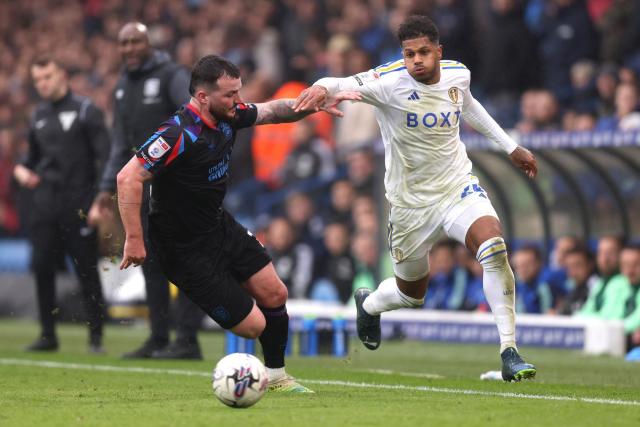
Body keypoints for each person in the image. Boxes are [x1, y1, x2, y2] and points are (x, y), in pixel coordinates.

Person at [294, 15, 538, 381]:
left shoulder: (458, 74)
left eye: (424, 52)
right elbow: (339, 82)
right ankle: (370, 304)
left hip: (456, 187)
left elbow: (468, 104)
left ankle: (509, 351)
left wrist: (510, 146)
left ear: (439, 51)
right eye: (410, 54)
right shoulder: (389, 81)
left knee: (493, 248)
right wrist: (319, 87)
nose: (417, 61)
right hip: (409, 205)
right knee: (411, 294)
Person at [116, 54, 356, 392]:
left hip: (218, 226)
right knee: (254, 325)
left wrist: (313, 104)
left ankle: (277, 377)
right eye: (230, 95)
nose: (237, 101)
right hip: (182, 249)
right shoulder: (177, 132)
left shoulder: (229, 115)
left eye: (238, 92)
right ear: (202, 97)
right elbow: (128, 178)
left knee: (276, 292)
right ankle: (240, 379)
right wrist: (134, 239)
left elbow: (273, 111)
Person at [87, 22, 205, 360]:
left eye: (135, 42)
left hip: (177, 186)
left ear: (149, 43)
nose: (129, 49)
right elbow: (120, 144)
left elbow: (194, 119)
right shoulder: (123, 86)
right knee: (149, 262)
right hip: (142, 188)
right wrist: (105, 187)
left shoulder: (171, 76)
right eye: (123, 44)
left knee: (182, 261)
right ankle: (158, 338)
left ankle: (187, 339)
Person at [13, 56, 109, 353]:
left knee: (86, 271)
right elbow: (30, 160)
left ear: (62, 75)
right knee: (42, 268)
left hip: (79, 205)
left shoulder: (86, 111)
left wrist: (99, 202)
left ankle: (96, 338)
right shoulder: (38, 114)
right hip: (44, 205)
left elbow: (105, 159)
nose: (43, 84)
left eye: (47, 77)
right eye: (38, 79)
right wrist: (21, 170)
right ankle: (47, 335)